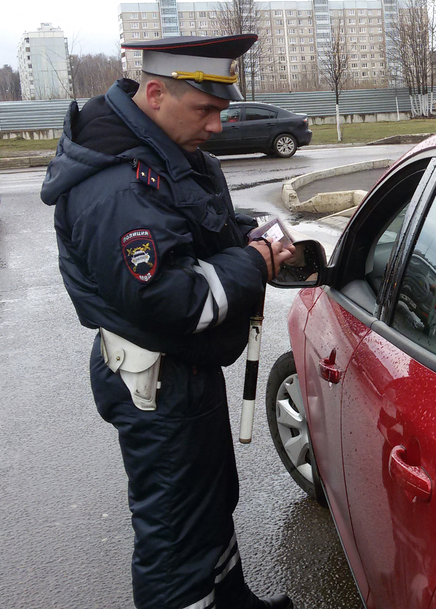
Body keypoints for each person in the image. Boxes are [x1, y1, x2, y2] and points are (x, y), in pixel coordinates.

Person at [40, 35, 295, 609]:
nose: (217, 126)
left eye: (222, 111)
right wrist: (254, 262)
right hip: (157, 381)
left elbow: (190, 225)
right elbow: (173, 299)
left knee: (209, 503)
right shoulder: (117, 184)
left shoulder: (157, 150)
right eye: (205, 110)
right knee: (176, 538)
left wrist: (246, 233)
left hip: (183, 373)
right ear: (155, 93)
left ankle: (231, 599)